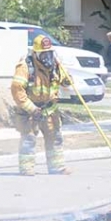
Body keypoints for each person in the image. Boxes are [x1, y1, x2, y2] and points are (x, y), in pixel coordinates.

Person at [10, 35, 72, 175]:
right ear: (36, 53)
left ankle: (57, 168)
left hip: (50, 110)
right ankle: (27, 168)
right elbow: (17, 91)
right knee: (29, 139)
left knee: (55, 138)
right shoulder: (25, 67)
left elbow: (66, 81)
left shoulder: (55, 66)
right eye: (44, 54)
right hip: (30, 112)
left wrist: (67, 78)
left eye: (49, 53)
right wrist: (31, 108)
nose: (47, 57)